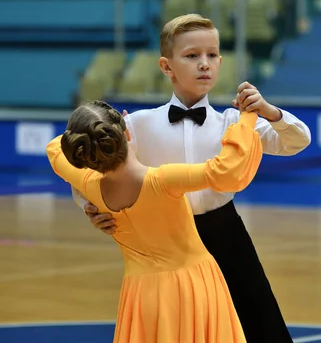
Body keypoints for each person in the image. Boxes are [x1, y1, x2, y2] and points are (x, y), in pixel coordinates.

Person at [77, 13, 310, 343]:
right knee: (178, 328)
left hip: (225, 232)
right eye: (192, 55)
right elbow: (91, 173)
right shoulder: (137, 125)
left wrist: (271, 112)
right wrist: (93, 207)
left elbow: (297, 141)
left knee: (259, 320)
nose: (205, 64)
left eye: (212, 55)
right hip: (165, 241)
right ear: (166, 66)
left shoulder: (235, 121)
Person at [47, 100, 264, 343]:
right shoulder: (162, 181)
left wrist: (88, 204)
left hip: (140, 294)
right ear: (127, 132)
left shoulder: (90, 185)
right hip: (193, 286)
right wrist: (247, 118)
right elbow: (224, 171)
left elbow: (54, 149)